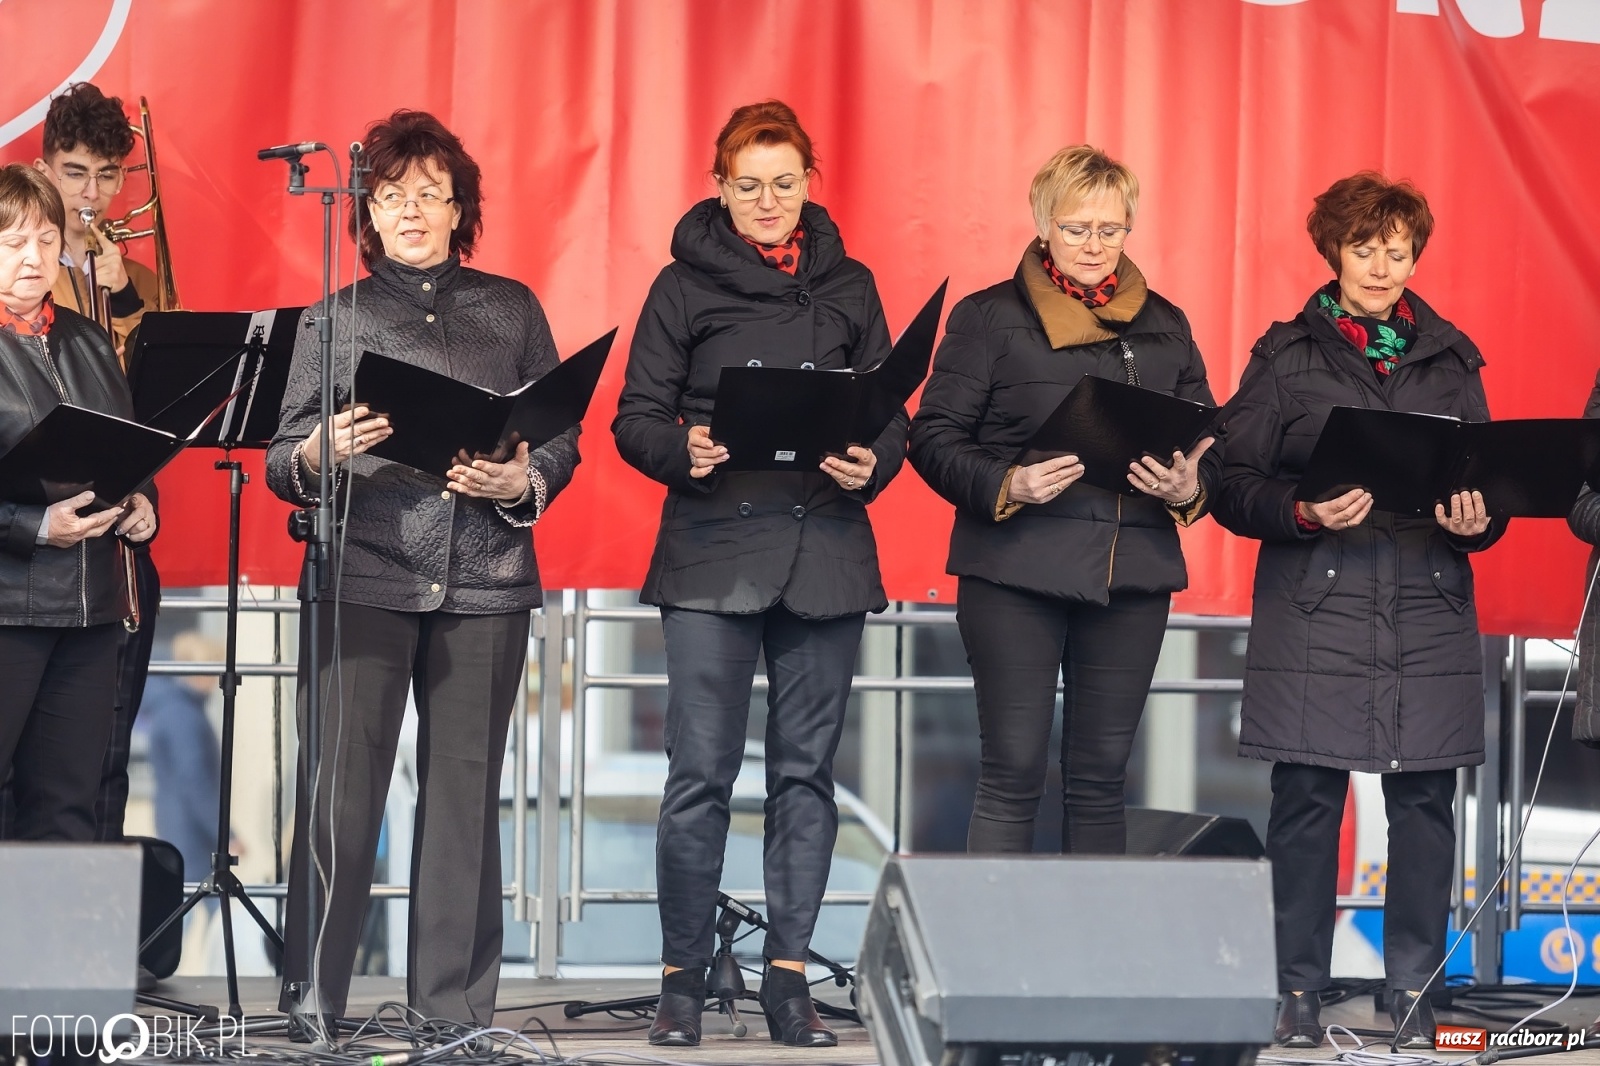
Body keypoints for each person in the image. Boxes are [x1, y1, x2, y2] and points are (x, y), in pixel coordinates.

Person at [265, 110, 579, 1027]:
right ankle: (312, 1002)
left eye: (431, 196)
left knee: (463, 802)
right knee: (340, 798)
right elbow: (282, 458)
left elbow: (560, 438)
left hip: (486, 580)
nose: (412, 211)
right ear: (367, 211)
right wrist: (320, 449)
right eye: (394, 196)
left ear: (459, 209)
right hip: (362, 576)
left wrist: (526, 477)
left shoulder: (512, 308)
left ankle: (453, 1014)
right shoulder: (336, 316)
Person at [612, 99, 905, 1048]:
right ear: (720, 187)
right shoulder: (680, 285)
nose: (768, 201)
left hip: (825, 553)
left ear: (810, 183)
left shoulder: (852, 285)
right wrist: (681, 447)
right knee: (698, 774)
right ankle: (681, 983)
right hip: (712, 553)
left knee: (806, 777)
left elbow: (890, 413)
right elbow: (635, 417)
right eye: (749, 185)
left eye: (785, 183)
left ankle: (788, 982)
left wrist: (877, 459)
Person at [1214, 172, 1500, 1050]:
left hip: (1427, 602)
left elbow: (1486, 484)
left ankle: (1415, 986)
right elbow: (1230, 482)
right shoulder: (1285, 354)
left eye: (1399, 249)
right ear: (1333, 251)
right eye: (1366, 247)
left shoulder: (1452, 355)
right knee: (1305, 797)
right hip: (1318, 602)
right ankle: (1295, 988)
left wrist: (1477, 520)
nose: (1383, 265)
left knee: (1424, 802)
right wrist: (1299, 512)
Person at [907, 145, 1216, 856]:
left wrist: (1190, 487)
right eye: (1077, 228)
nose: (1093, 245)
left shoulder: (1167, 325)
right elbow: (933, 436)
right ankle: (991, 963)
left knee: (1102, 776)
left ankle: (1090, 967)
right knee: (1012, 771)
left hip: (1132, 576)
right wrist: (1005, 483)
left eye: (1110, 230)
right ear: (1044, 223)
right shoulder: (986, 317)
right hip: (1014, 573)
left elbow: (1212, 446)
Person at [0, 162, 157, 841]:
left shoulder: (91, 339)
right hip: (8, 611)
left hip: (91, 610)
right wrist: (33, 527)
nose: (32, 257)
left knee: (69, 807)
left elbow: (123, 450)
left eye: (43, 239)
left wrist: (144, 503)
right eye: (11, 242)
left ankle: (53, 952)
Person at [33, 83, 160, 353]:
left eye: (106, 175)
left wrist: (125, 298)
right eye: (75, 174)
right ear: (43, 174)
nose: (92, 193)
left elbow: (162, 383)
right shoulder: (16, 274)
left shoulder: (143, 282)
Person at [137, 630, 226, 883]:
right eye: (214, 668)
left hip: (181, 826)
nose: (217, 678)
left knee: (188, 905)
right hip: (189, 831)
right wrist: (224, 835)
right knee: (190, 904)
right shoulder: (182, 715)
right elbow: (194, 780)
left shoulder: (176, 708)